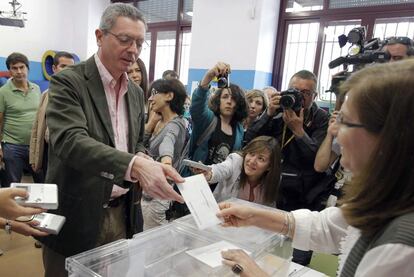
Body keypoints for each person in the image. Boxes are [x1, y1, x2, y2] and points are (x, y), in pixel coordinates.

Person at [217, 59, 414, 277]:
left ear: (389, 137)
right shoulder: (385, 200)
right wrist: (255, 216)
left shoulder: (401, 245)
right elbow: (331, 226)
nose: (335, 131)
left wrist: (255, 273)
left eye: (346, 122)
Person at [36, 4, 184, 276]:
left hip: (121, 213)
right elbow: (70, 141)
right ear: (100, 36)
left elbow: (136, 143)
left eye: (140, 42)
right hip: (76, 212)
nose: (134, 50)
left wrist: (145, 161)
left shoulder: (137, 93)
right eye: (125, 39)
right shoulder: (69, 82)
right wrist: (135, 166)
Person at [245, 70, 328, 265]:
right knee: (262, 252)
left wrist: (299, 131)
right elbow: (249, 143)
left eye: (306, 93)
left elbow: (318, 161)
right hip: (270, 193)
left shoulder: (320, 118)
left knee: (294, 259)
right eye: (294, 90)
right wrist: (268, 114)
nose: (298, 95)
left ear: (314, 96)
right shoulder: (278, 111)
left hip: (303, 198)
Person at [141, 78, 187, 230]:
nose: (150, 98)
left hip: (159, 196)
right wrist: (152, 123)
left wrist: (166, 162)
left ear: (169, 96)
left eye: (154, 93)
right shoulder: (158, 120)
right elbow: (140, 142)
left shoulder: (176, 124)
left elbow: (168, 141)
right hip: (148, 191)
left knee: (153, 243)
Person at [189, 62, 248, 168]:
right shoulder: (208, 119)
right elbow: (197, 106)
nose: (229, 101)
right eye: (225, 97)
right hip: (196, 179)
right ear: (218, 100)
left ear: (239, 104)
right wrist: (209, 76)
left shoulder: (238, 128)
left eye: (234, 98)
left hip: (221, 182)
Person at [29, 51, 75, 182]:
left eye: (71, 68)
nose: (68, 71)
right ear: (54, 68)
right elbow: (37, 126)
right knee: (47, 189)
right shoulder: (46, 94)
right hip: (47, 151)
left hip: (67, 153)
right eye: (63, 66)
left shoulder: (80, 95)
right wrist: (34, 157)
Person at [0, 52, 42, 187]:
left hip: (36, 145)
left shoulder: (36, 89)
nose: (19, 71)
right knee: (12, 186)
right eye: (14, 68)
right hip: (12, 146)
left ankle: (42, 209)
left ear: (27, 68)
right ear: (10, 71)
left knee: (43, 182)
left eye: (22, 67)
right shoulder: (3, 92)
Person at [200, 136, 280, 207]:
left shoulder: (272, 181)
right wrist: (209, 173)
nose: (252, 161)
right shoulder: (236, 161)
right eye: (251, 154)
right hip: (219, 219)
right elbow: (220, 169)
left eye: (261, 159)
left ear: (269, 166)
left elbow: (269, 212)